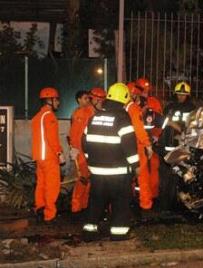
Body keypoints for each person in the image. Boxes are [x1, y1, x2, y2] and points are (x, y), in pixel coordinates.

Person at [82, 83, 139, 241]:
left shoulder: (94, 118)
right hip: (118, 173)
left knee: (96, 202)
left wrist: (90, 159)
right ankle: (118, 234)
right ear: (124, 99)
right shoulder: (122, 119)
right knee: (121, 203)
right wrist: (136, 166)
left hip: (97, 172)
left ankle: (89, 232)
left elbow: (84, 142)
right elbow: (130, 148)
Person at [157, 81, 196, 212]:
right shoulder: (169, 108)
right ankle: (164, 206)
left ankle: (178, 205)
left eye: (183, 95)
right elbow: (163, 125)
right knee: (166, 179)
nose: (181, 97)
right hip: (167, 146)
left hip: (183, 147)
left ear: (188, 95)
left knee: (181, 178)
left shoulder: (192, 108)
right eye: (179, 94)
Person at [69, 88, 106, 216]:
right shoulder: (82, 113)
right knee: (82, 180)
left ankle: (84, 207)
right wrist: (74, 149)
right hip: (82, 152)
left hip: (93, 153)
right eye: (100, 100)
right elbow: (75, 134)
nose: (102, 102)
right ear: (94, 99)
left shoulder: (97, 113)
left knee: (89, 181)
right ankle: (76, 208)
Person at [31, 87, 65, 223]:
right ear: (49, 100)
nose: (58, 103)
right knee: (52, 185)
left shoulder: (37, 116)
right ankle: (50, 215)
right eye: (57, 100)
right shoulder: (49, 116)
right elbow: (52, 138)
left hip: (39, 156)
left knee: (41, 184)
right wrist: (59, 152)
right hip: (49, 156)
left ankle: (40, 208)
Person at [126, 82, 154, 211]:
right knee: (143, 177)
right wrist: (148, 144)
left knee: (122, 178)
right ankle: (145, 204)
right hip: (136, 146)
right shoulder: (133, 109)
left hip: (123, 147)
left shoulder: (120, 108)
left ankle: (119, 205)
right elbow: (139, 129)